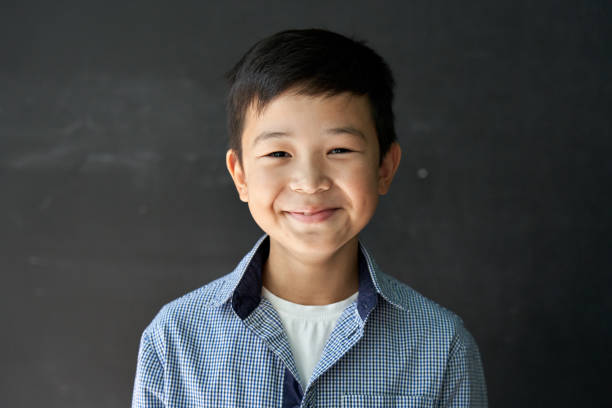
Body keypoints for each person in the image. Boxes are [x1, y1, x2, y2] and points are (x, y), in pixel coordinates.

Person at [131, 28, 487, 407]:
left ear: (384, 167)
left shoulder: (440, 344)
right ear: (240, 176)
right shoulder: (176, 337)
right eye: (278, 154)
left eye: (339, 149)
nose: (309, 183)